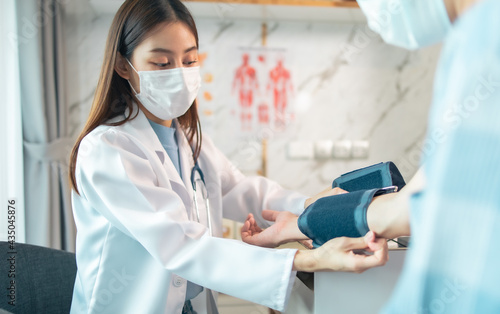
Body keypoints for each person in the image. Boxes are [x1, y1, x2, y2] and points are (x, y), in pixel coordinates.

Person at [67, 0, 388, 313]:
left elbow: (244, 191)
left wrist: (314, 208)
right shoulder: (107, 149)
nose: (179, 74)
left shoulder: (190, 142)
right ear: (124, 65)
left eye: (190, 60)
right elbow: (180, 244)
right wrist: (309, 260)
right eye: (162, 64)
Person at [243, 0, 500, 312]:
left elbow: (421, 210)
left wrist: (305, 222)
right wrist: (301, 223)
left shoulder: (485, 34)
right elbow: (413, 202)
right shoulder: (474, 36)